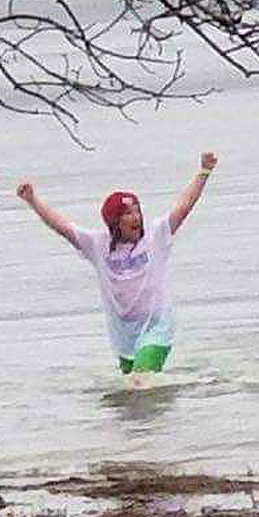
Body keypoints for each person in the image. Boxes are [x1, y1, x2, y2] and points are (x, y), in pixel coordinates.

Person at [16, 152, 218, 377]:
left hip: (157, 326)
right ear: (114, 222)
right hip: (124, 335)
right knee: (130, 397)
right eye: (128, 214)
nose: (136, 218)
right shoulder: (97, 244)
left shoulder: (155, 236)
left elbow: (184, 206)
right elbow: (62, 226)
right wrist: (33, 201)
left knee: (141, 380)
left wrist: (204, 171)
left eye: (137, 211)